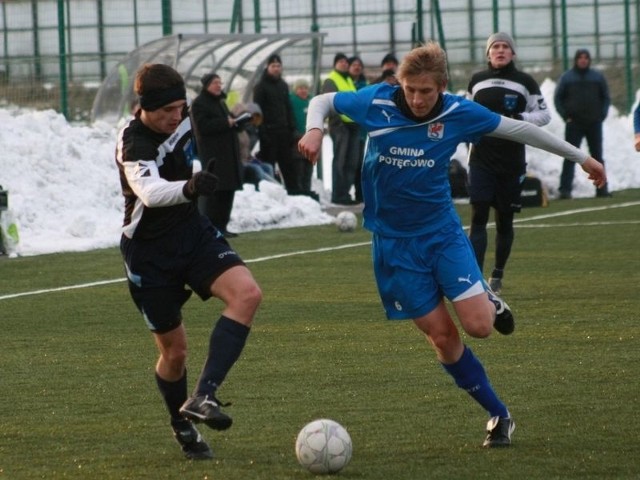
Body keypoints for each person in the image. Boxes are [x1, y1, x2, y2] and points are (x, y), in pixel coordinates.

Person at [298, 42, 606, 448]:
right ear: (400, 84)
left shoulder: (459, 112)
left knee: (479, 328)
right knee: (443, 338)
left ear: (442, 86)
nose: (417, 98)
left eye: (426, 91)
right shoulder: (377, 101)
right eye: (410, 90)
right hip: (393, 244)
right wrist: (314, 130)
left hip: (441, 232)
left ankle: (488, 301)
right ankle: (499, 414)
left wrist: (581, 158)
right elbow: (322, 100)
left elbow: (521, 129)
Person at [116, 63, 262, 460]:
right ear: (145, 107)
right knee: (174, 353)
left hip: (191, 233)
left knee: (247, 294)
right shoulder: (133, 143)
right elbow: (149, 191)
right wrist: (190, 186)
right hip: (149, 254)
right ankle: (181, 425)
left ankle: (204, 395)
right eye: (167, 111)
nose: (175, 117)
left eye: (180, 108)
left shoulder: (183, 116)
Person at [466, 32, 551, 294]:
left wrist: (521, 117)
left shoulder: (525, 82)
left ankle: (497, 275)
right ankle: (475, 279)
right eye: (495, 47)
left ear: (513, 53)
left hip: (511, 162)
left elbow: (544, 115)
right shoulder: (477, 81)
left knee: (504, 221)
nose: (500, 51)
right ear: (488, 53)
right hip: (480, 158)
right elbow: (466, 113)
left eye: (505, 47)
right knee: (478, 217)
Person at [190, 73, 243, 238]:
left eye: (220, 83)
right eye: (215, 83)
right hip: (213, 154)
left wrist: (238, 122)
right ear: (206, 85)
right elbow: (203, 126)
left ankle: (222, 225)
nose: (219, 86)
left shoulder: (221, 102)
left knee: (228, 190)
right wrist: (225, 123)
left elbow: (229, 121)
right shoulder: (199, 103)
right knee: (215, 191)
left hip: (229, 154)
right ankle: (211, 226)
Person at [554, 48, 611, 198]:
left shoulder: (597, 77)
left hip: (594, 123)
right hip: (574, 124)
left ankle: (602, 189)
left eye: (586, 57)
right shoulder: (567, 77)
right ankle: (565, 190)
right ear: (576, 60)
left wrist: (601, 115)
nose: (583, 60)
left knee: (597, 156)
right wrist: (565, 116)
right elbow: (558, 98)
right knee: (570, 156)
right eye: (580, 57)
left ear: (589, 60)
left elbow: (605, 97)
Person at [252, 53, 299, 194]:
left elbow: (288, 108)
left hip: (284, 132)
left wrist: (292, 128)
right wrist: (262, 132)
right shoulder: (260, 87)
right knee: (269, 165)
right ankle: (271, 194)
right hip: (269, 133)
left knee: (288, 166)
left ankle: (293, 192)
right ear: (267, 67)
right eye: (273, 66)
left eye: (278, 66)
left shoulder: (283, 85)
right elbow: (257, 111)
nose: (276, 69)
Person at [322, 52, 361, 205]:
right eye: (340, 61)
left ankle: (345, 193)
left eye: (345, 61)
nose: (344, 64)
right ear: (335, 64)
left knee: (351, 162)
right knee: (341, 160)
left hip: (353, 125)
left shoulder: (348, 80)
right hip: (341, 127)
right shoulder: (331, 79)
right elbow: (329, 102)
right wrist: (338, 123)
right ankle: (338, 194)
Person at [289, 78, 318, 199]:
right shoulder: (291, 101)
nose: (303, 91)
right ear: (296, 90)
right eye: (300, 88)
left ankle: (307, 193)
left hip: (310, 142)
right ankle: (300, 194)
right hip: (297, 141)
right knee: (299, 170)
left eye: (305, 88)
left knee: (308, 170)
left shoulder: (311, 101)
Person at [348, 55, 368, 203]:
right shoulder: (346, 84)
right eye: (354, 64)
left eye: (359, 65)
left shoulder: (364, 85)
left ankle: (359, 194)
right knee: (350, 163)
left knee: (360, 163)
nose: (357, 67)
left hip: (361, 131)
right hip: (348, 130)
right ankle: (344, 193)